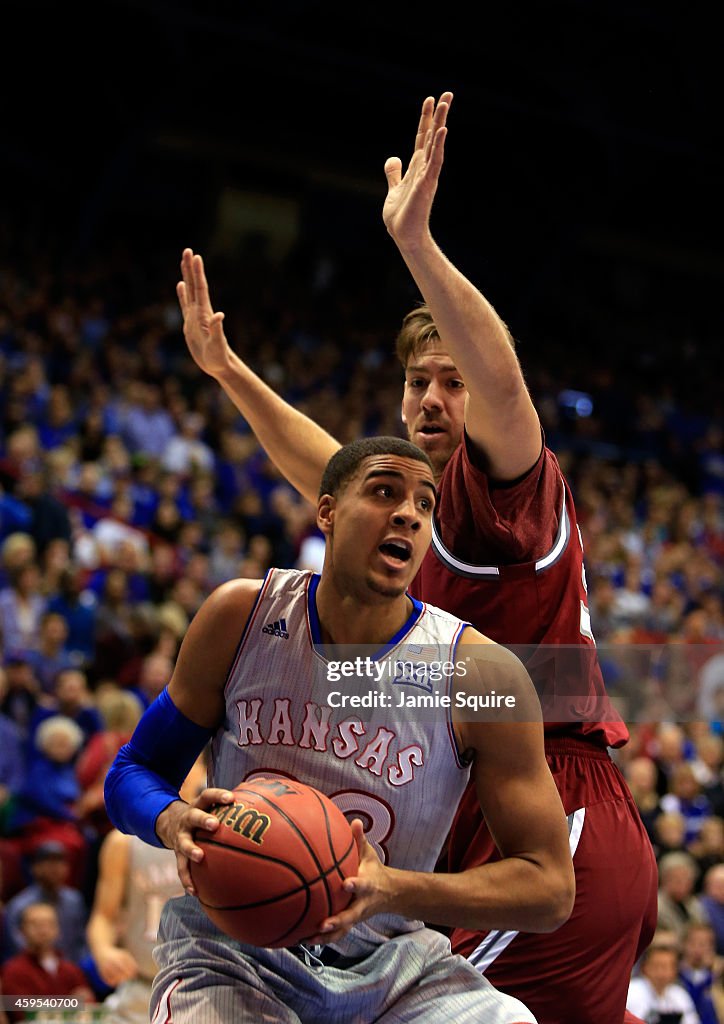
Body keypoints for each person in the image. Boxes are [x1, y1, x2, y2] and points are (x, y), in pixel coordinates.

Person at [175, 91, 658, 1023]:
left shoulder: (501, 494)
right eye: (418, 382)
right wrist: (229, 372)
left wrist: (417, 246)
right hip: (480, 805)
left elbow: (507, 390)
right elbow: (325, 469)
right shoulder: (406, 508)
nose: (434, 399)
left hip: (551, 805)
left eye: (453, 383)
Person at [105, 436, 574, 1024]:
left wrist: (392, 888)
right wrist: (171, 819)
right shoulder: (241, 616)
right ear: (326, 511)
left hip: (394, 965)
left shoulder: (479, 672)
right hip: (233, 948)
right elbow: (132, 772)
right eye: (384, 492)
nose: (408, 512)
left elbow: (550, 887)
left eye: (425, 504)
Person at [87, 756, 207, 1023]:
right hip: (142, 989)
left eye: (189, 760)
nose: (180, 770)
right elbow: (103, 916)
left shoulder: (220, 834)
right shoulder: (122, 843)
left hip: (207, 990)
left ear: (205, 771)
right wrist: (104, 950)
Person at [0, 901, 94, 1022]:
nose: (43, 930)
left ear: (58, 929)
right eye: (35, 924)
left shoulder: (72, 970)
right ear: (21, 931)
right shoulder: (13, 971)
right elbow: (22, 1010)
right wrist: (71, 1003)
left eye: (49, 924)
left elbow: (89, 1004)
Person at [626, 942, 701, 1024]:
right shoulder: (631, 992)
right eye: (657, 966)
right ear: (645, 967)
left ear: (675, 970)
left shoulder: (680, 995)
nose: (661, 972)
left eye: (665, 966)